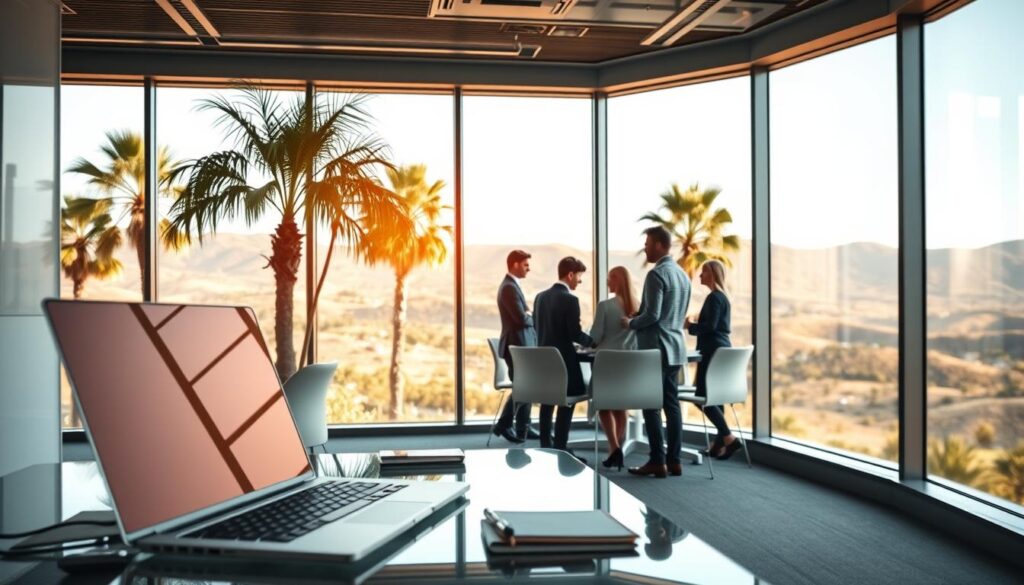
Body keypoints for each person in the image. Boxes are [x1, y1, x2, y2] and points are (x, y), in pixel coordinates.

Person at [622, 226, 690, 478]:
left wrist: (630, 322)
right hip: (676, 348)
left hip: (655, 349)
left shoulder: (656, 274)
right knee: (672, 406)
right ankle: (674, 461)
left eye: (648, 243)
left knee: (651, 405)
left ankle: (656, 462)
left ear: (661, 245)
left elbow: (652, 315)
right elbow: (672, 313)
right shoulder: (683, 275)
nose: (645, 248)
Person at [533, 256, 593, 457]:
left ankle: (545, 445)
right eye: (579, 276)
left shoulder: (540, 297)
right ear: (570, 275)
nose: (580, 281)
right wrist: (594, 342)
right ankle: (560, 446)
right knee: (572, 396)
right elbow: (574, 334)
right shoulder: (570, 300)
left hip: (543, 367)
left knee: (547, 400)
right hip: (564, 368)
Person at [684, 259, 740, 459]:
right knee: (715, 397)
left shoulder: (714, 298)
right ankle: (718, 443)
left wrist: (690, 326)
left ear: (712, 274)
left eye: (703, 272)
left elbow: (711, 327)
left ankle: (728, 438)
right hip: (720, 349)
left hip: (712, 350)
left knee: (702, 398)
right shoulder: (722, 297)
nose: (699, 275)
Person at [589, 266, 638, 470]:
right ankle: (614, 451)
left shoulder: (605, 306)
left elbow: (595, 337)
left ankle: (614, 447)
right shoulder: (638, 307)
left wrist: (586, 342)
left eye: (610, 279)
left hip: (606, 363)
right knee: (621, 407)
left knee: (603, 405)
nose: (607, 283)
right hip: (628, 366)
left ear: (618, 281)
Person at [493, 249, 537, 444]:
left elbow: (523, 314)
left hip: (519, 345)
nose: (529, 268)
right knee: (523, 386)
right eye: (526, 265)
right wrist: (533, 315)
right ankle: (503, 425)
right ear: (515, 265)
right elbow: (520, 318)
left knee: (525, 385)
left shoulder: (512, 285)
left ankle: (522, 428)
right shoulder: (509, 287)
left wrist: (528, 314)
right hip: (516, 345)